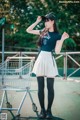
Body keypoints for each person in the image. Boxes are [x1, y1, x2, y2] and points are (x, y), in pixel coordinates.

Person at [26, 12, 69, 119]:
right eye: (45, 20)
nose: (45, 22)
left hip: (49, 59)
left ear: (52, 21)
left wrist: (62, 39)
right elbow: (28, 30)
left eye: (47, 20)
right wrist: (37, 21)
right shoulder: (42, 32)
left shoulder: (57, 35)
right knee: (40, 87)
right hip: (40, 59)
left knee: (50, 87)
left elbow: (58, 51)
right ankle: (42, 110)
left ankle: (49, 111)